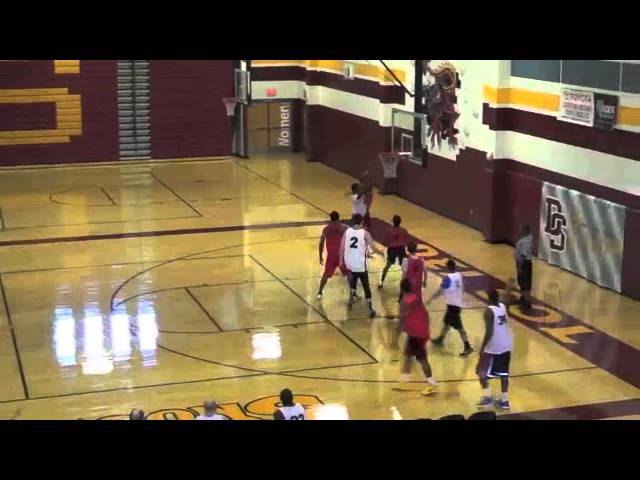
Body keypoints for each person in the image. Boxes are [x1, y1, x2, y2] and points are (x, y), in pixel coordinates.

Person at [397, 278, 437, 396]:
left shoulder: (404, 302)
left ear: (401, 289)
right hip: (421, 332)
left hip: (415, 334)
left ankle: (431, 383)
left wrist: (395, 337)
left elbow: (401, 320)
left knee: (422, 359)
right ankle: (404, 380)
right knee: (408, 355)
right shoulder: (416, 298)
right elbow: (426, 314)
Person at [476, 289, 514, 410]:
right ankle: (504, 400)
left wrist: (482, 347)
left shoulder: (488, 311)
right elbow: (507, 300)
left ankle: (487, 397)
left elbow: (489, 332)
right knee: (504, 374)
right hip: (506, 344)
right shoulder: (502, 306)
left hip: (494, 346)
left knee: (481, 371)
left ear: (488, 298)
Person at [340, 213, 384, 317]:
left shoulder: (347, 232)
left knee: (354, 279)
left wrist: (341, 261)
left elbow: (342, 247)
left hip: (349, 262)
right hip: (359, 263)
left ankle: (351, 300)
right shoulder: (365, 233)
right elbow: (373, 248)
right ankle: (370, 309)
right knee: (365, 285)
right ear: (362, 222)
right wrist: (380, 252)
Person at [427, 259, 473, 356]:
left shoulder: (448, 278)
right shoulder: (459, 276)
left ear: (448, 267)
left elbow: (440, 291)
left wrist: (431, 299)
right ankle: (441, 339)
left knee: (460, 328)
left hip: (453, 305)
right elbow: (462, 288)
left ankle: (467, 346)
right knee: (446, 322)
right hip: (457, 304)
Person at [317, 211, 350, 299]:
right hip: (341, 255)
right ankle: (353, 293)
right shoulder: (344, 228)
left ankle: (320, 292)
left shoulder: (326, 229)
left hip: (331, 255)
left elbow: (321, 243)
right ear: (339, 218)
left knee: (325, 274)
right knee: (349, 274)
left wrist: (320, 256)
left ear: (330, 218)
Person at [378, 215, 408, 288]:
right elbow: (406, 241)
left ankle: (381, 282)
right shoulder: (404, 230)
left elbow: (383, 243)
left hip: (392, 250)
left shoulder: (389, 231)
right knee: (404, 268)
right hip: (401, 250)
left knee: (387, 266)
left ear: (393, 222)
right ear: (400, 222)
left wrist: (389, 244)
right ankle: (405, 285)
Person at [514, 224, 533, 311]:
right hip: (523, 264)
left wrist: (519, 266)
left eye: (521, 230)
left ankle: (526, 302)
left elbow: (523, 255)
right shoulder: (526, 239)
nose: (520, 231)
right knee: (522, 282)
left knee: (525, 283)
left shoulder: (526, 241)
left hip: (524, 264)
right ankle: (523, 298)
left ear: (525, 231)